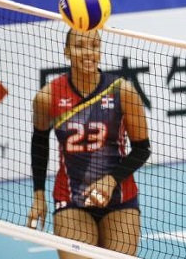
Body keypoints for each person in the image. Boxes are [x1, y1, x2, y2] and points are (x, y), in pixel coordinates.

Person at [26, 28, 152, 258]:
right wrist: (38, 197)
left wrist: (111, 180)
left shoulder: (122, 91)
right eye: (80, 46)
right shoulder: (47, 97)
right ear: (67, 52)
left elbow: (143, 150)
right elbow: (40, 144)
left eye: (94, 46)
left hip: (120, 198)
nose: (88, 53)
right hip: (72, 199)